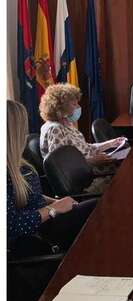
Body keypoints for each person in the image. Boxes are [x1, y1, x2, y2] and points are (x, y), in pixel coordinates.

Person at [8, 100, 98, 254]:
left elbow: (28, 193)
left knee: (99, 208)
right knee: (97, 213)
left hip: (47, 222)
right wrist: (52, 209)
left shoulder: (18, 163)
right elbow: (11, 226)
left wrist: (56, 202)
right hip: (38, 237)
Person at [39, 83, 125, 163]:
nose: (78, 107)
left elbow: (87, 148)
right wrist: (92, 161)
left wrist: (111, 143)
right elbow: (61, 164)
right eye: (74, 104)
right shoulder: (55, 129)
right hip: (84, 173)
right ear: (60, 108)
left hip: (89, 167)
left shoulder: (67, 124)